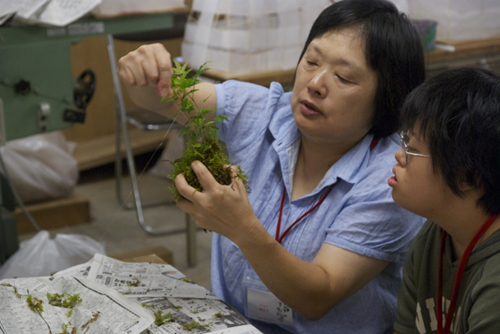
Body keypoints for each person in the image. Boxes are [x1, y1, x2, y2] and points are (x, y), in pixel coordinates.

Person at [118, 0, 426, 332]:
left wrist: (242, 228)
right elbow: (160, 98)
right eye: (311, 60)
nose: (315, 83)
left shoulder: (391, 179)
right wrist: (144, 72)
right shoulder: (264, 111)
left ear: (387, 100)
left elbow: (317, 296)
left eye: (344, 77)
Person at [390, 67, 500, 334]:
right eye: (405, 141)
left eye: (412, 150)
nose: (398, 156)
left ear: (467, 178)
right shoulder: (436, 234)